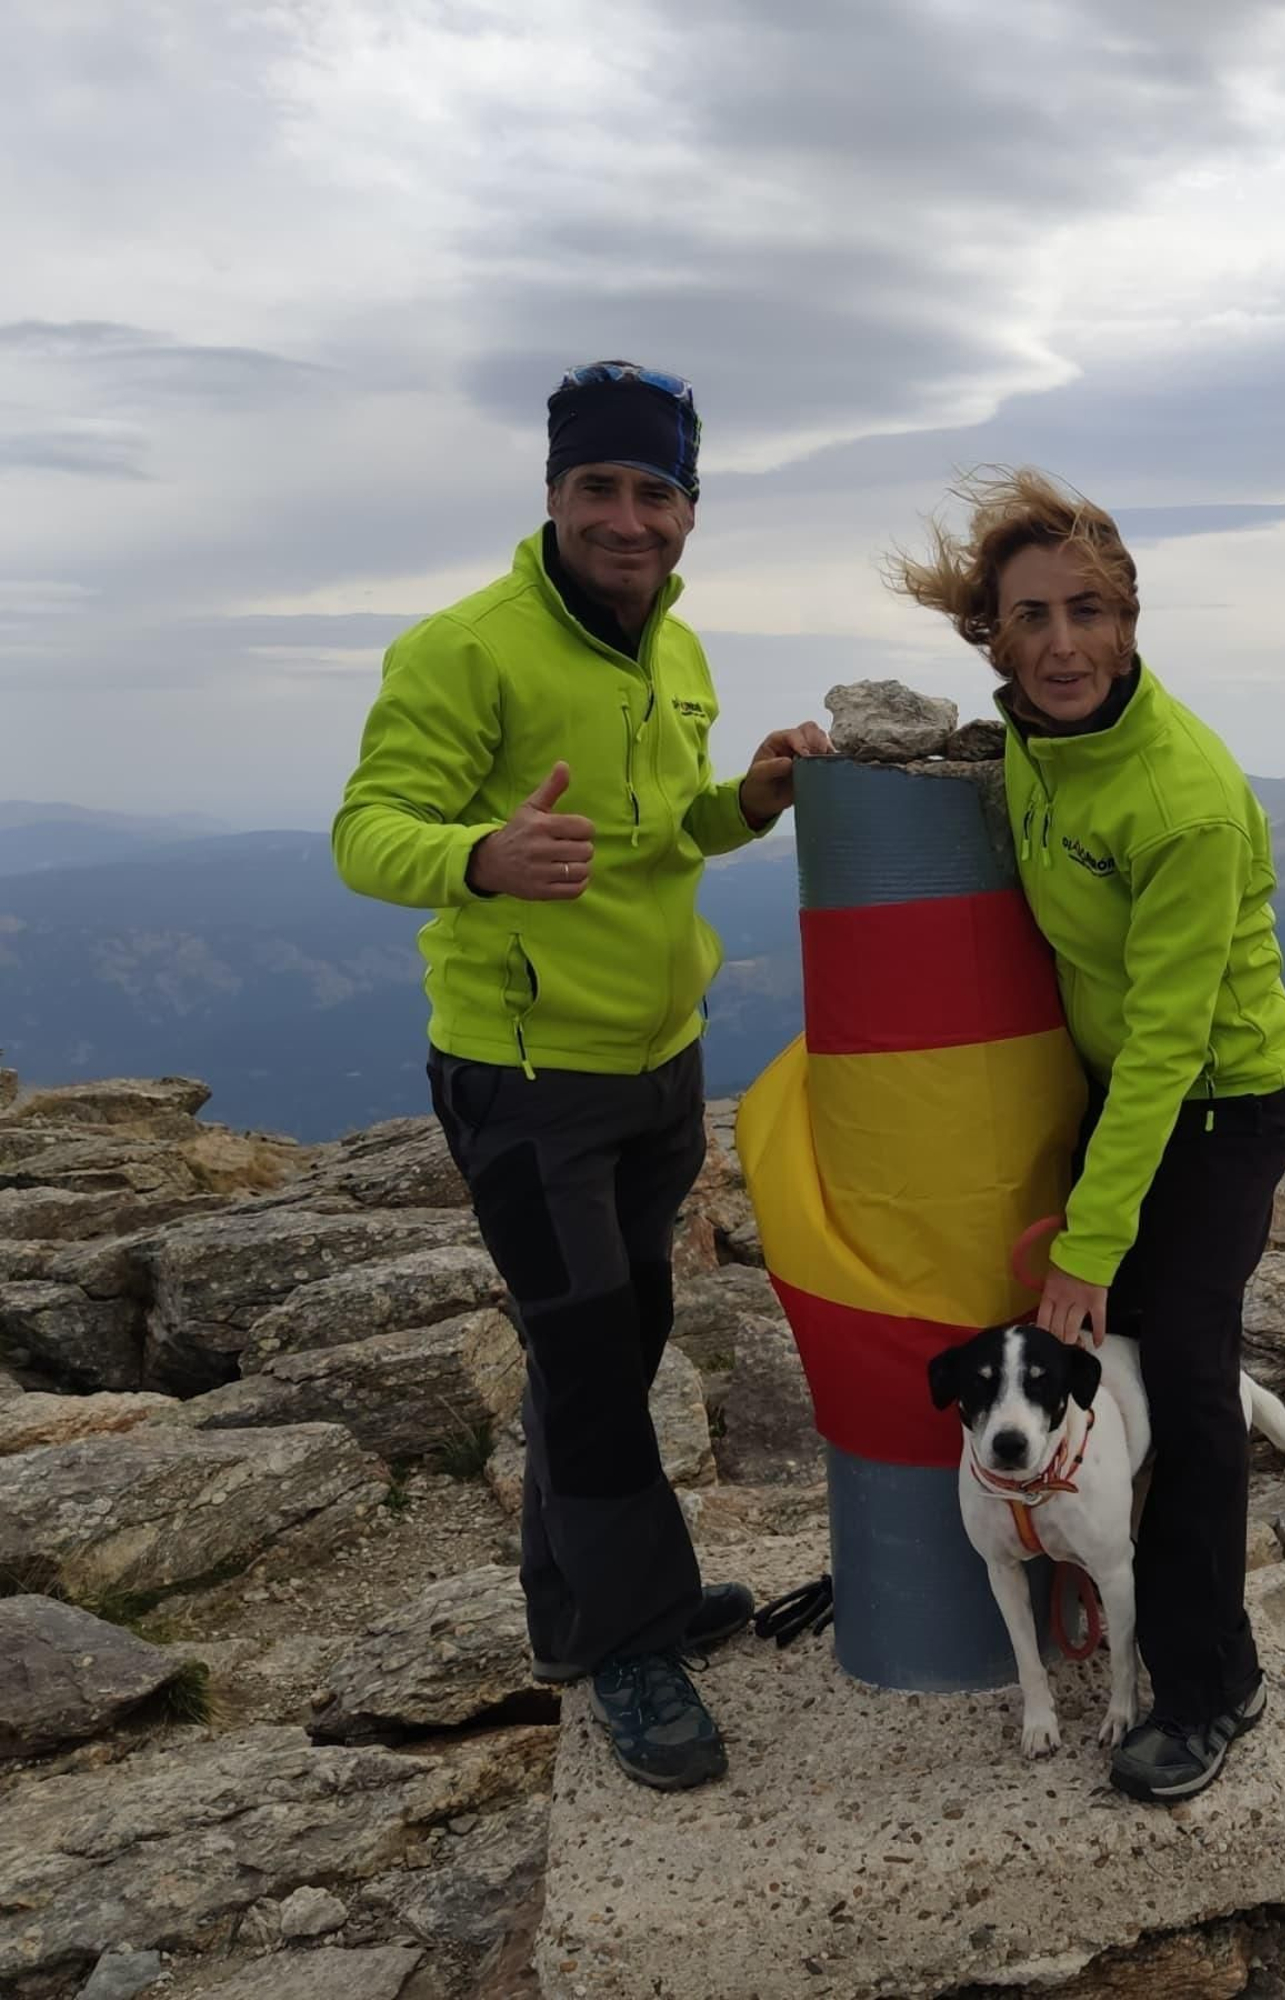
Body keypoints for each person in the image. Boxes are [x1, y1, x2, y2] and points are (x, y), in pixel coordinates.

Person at [332, 359, 829, 1792]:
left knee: (610, 1353)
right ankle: (628, 1649)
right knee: (596, 1374)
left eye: (654, 490)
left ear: (688, 509)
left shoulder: (675, 653)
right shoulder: (465, 649)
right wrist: (477, 857)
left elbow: (661, 834)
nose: (628, 516)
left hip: (658, 1068)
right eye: (598, 488)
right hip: (527, 1077)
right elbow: (369, 829)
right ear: (553, 497)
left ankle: (604, 1610)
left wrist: (741, 803)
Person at [889, 468, 1285, 1805]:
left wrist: (1090, 1243)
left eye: (1088, 612)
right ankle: (1088, 1576)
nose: (1062, 642)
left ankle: (1208, 1683)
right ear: (993, 637)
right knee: (1095, 1358)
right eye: (1031, 617)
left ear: (1128, 624)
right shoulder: (1034, 738)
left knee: (1182, 1379)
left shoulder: (1180, 794)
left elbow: (1176, 1049)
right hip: (1126, 1089)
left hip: (1221, 1098)